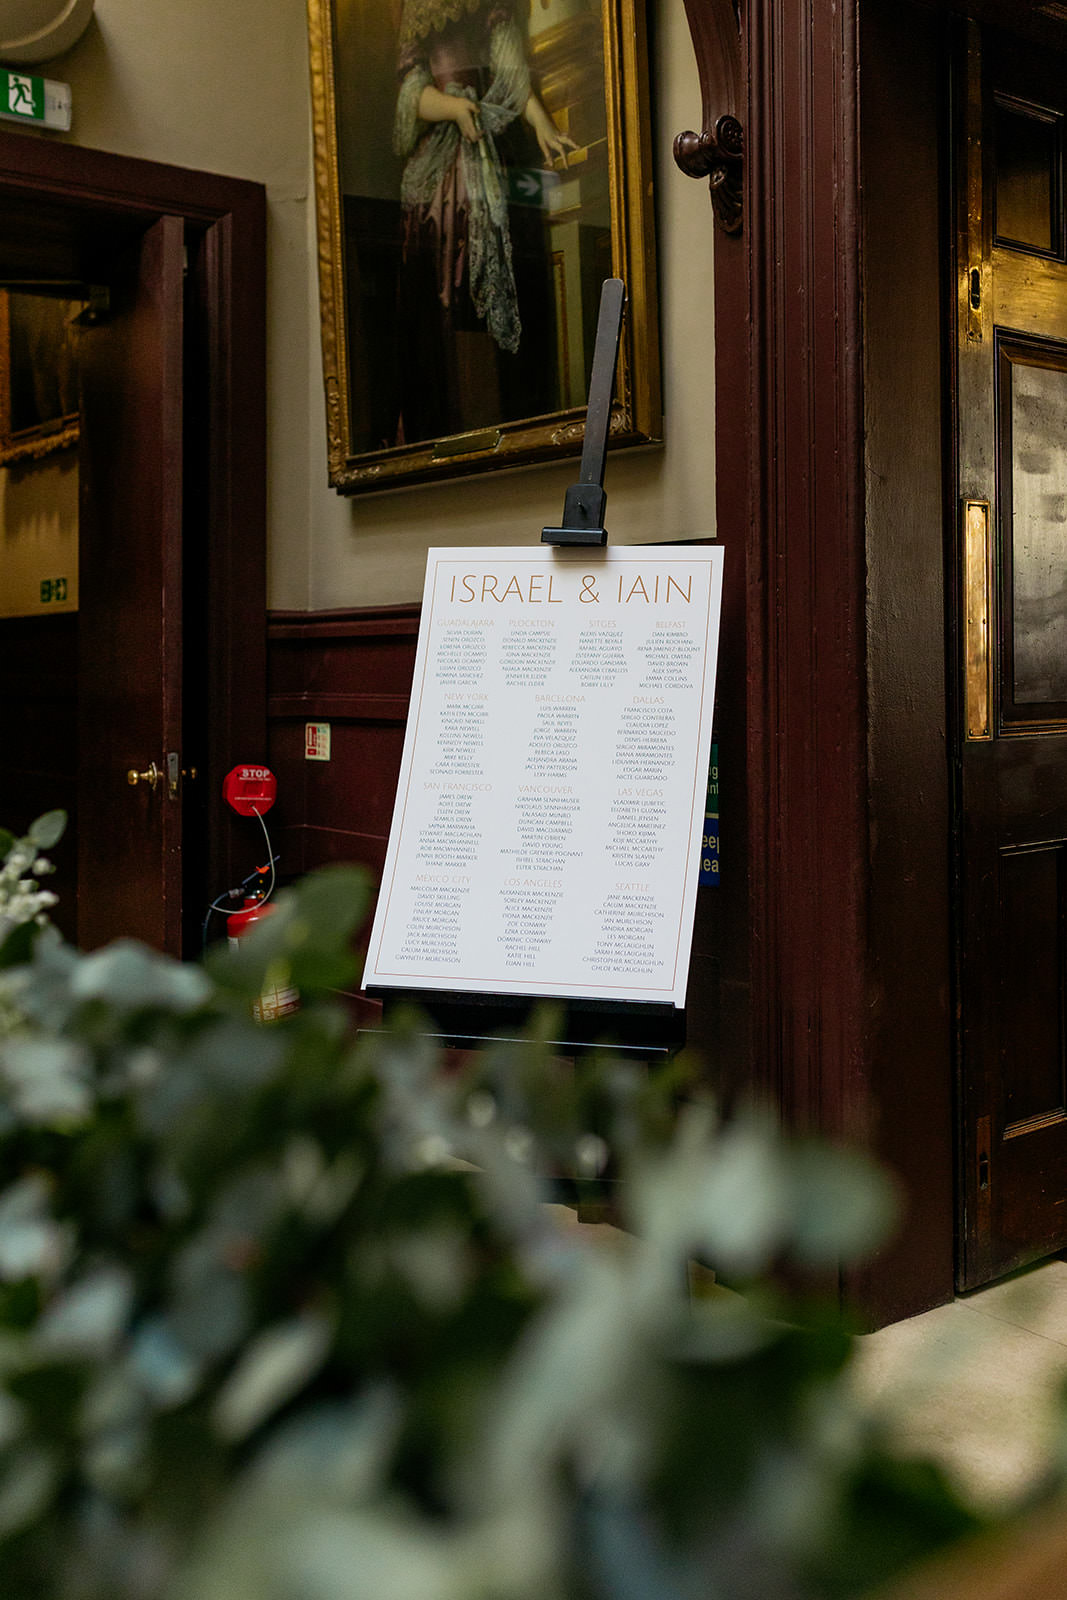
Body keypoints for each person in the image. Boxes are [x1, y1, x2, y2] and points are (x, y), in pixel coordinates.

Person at [392, 0, 576, 443]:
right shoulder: (418, 13)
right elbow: (412, 93)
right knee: (445, 286)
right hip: (444, 165)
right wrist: (453, 108)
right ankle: (452, 416)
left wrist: (542, 124)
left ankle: (510, 411)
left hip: (493, 141)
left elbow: (512, 76)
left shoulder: (492, 9)